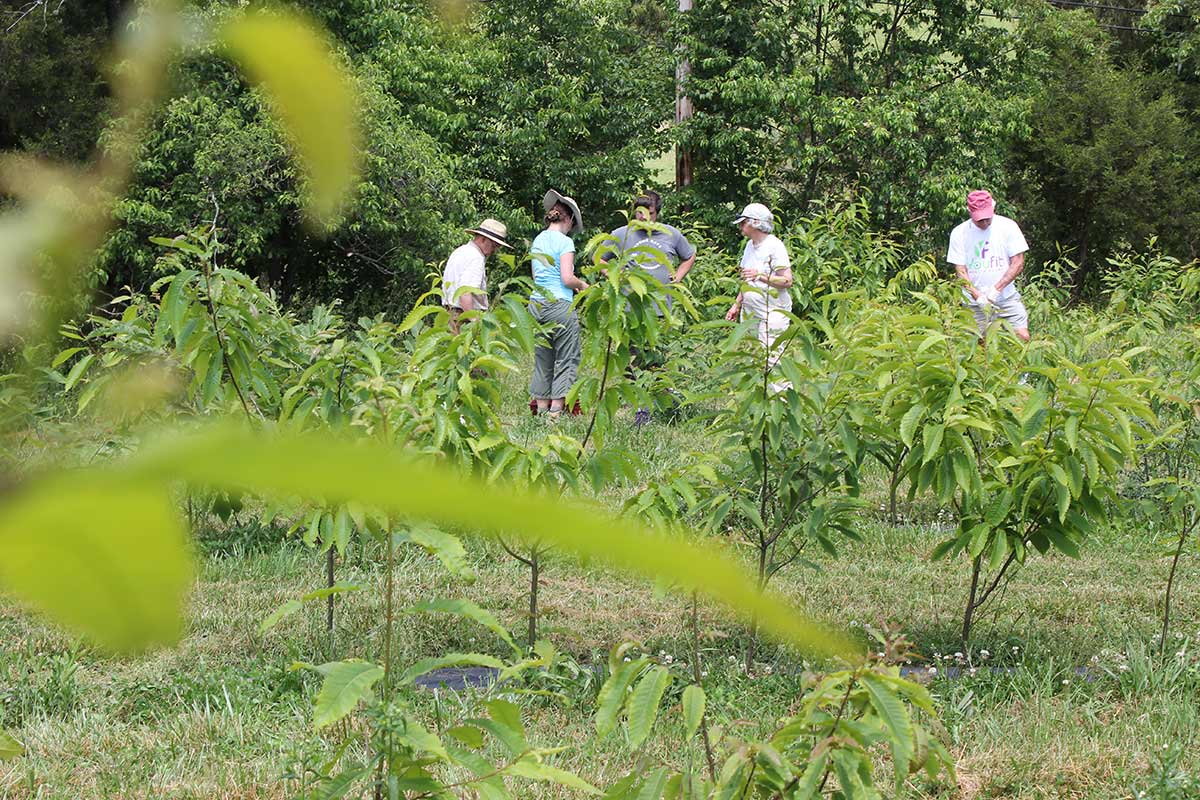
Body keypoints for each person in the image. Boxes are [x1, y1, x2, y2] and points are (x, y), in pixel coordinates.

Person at [604, 190, 697, 425]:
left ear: (658, 213)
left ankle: (656, 399)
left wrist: (678, 276)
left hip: (658, 308)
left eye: (650, 213)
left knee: (654, 355)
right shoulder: (621, 234)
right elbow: (600, 258)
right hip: (628, 307)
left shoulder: (670, 234)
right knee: (630, 355)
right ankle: (639, 402)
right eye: (639, 212)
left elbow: (689, 255)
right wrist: (614, 274)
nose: (644, 217)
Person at [529, 189, 589, 419]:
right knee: (567, 356)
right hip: (560, 305)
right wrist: (582, 285)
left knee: (543, 358)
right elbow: (566, 278)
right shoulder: (565, 243)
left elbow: (537, 278)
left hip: (536, 304)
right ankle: (556, 413)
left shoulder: (538, 240)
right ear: (569, 219)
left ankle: (541, 411)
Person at [724, 203, 794, 394]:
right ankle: (759, 400)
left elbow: (787, 280)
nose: (740, 226)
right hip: (750, 311)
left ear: (755, 223)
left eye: (744, 222)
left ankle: (784, 399)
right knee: (752, 355)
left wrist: (761, 276)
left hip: (772, 311)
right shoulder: (749, 245)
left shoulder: (774, 245)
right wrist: (736, 304)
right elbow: (746, 278)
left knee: (771, 356)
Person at [947, 190, 1031, 342]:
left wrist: (996, 290)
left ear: (993, 208)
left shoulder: (1008, 226)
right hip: (974, 303)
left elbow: (1018, 262)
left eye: (987, 218)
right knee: (979, 345)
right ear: (970, 212)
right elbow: (960, 270)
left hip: (1006, 298)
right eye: (980, 220)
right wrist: (977, 295)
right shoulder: (959, 233)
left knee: (1022, 337)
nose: (985, 223)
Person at [441, 218, 512, 334]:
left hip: (450, 313)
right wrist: (475, 321)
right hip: (464, 317)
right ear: (483, 239)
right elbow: (465, 292)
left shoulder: (460, 251)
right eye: (494, 246)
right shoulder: (476, 258)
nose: (495, 250)